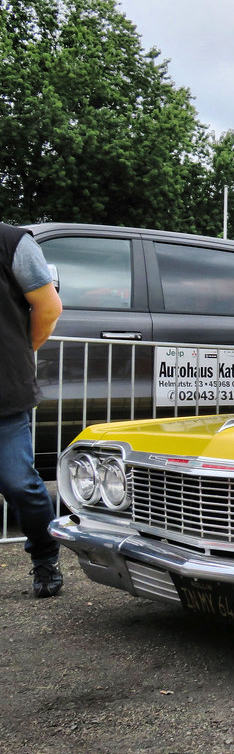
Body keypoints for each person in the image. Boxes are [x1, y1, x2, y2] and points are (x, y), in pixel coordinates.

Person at [0, 222, 64, 597]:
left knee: (19, 485)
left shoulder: (12, 242)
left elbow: (49, 307)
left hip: (5, 393)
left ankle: (44, 557)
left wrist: (20, 354)